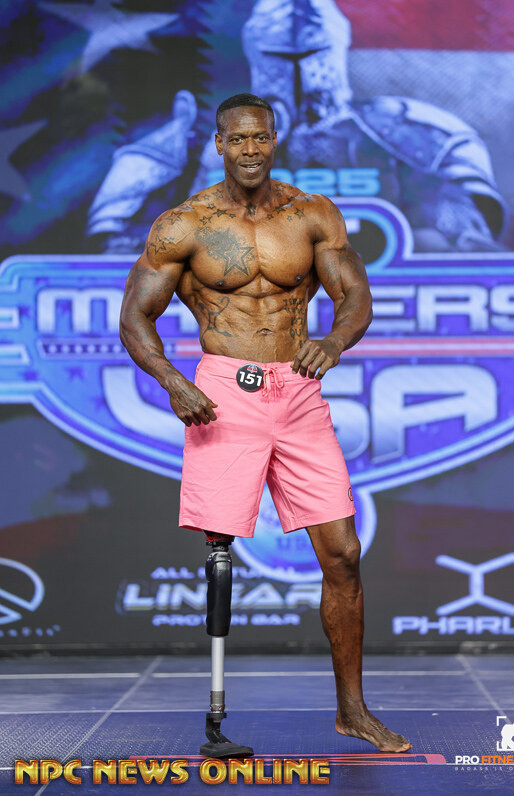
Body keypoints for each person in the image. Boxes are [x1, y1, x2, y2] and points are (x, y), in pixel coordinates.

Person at [120, 92, 412, 753]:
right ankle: (215, 716)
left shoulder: (311, 214)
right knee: (219, 549)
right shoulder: (184, 225)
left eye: (261, 137)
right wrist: (172, 380)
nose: (250, 149)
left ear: (274, 140)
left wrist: (333, 341)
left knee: (343, 554)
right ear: (219, 144)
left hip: (298, 390)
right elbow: (135, 315)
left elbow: (356, 295)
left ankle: (352, 710)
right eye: (238, 138)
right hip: (223, 394)